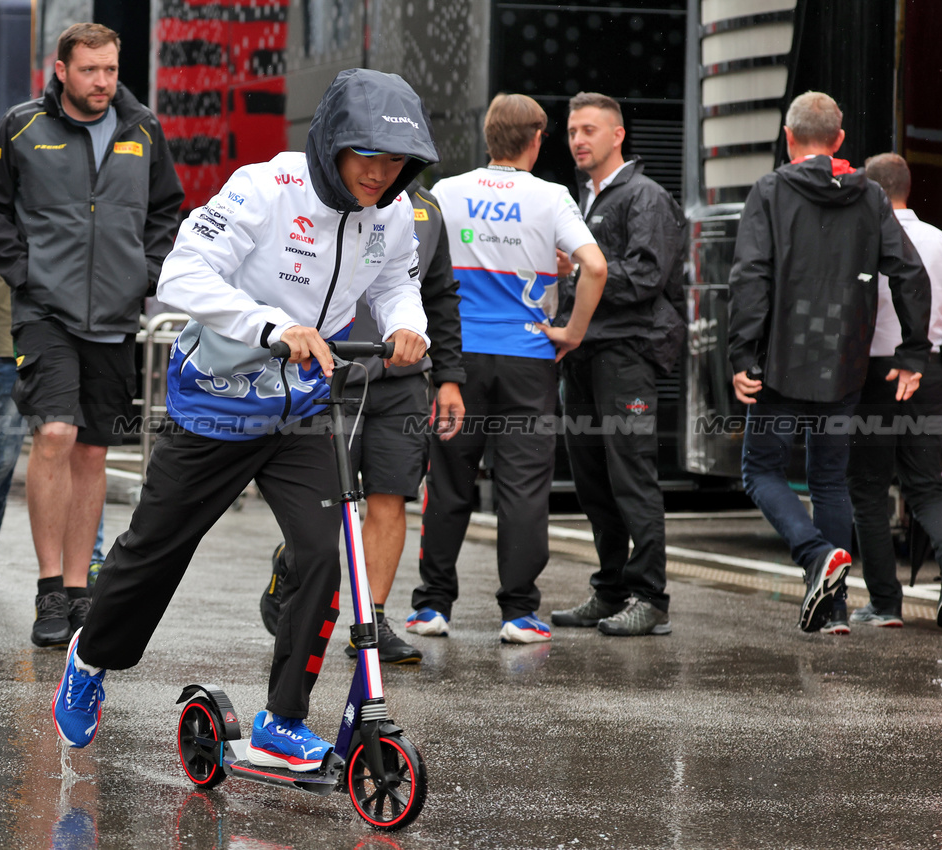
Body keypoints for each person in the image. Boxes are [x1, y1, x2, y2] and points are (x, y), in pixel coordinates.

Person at [50, 68, 438, 770]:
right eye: (367, 157)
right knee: (153, 554)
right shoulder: (265, 188)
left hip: (304, 410)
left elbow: (394, 283)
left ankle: (281, 721)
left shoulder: (391, 213)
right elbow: (180, 276)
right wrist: (269, 326)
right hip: (215, 408)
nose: (381, 174)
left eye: (395, 161)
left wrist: (410, 328)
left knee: (326, 553)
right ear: (330, 147)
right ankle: (90, 657)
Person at [0, 22, 184, 648]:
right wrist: (26, 275)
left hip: (115, 315)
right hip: (46, 313)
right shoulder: (22, 127)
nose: (102, 82)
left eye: (111, 70)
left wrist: (143, 275)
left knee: (92, 449)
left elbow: (166, 209)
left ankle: (79, 588)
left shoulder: (142, 129)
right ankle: (48, 589)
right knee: (56, 433)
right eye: (90, 70)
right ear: (61, 69)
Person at [407, 93, 608, 645]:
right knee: (523, 488)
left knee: (448, 482)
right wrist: (572, 330)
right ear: (537, 139)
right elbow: (595, 265)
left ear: (488, 135)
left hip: (458, 358)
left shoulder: (446, 191)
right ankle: (518, 613)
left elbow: (412, 266)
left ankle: (431, 606)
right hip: (528, 359)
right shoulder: (551, 197)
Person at [728, 91, 931, 633]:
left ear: (788, 137)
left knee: (761, 470)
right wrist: (914, 351)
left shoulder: (771, 190)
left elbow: (750, 275)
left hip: (780, 359)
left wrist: (742, 351)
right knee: (830, 483)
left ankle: (816, 556)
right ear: (839, 140)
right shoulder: (870, 197)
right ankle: (835, 611)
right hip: (845, 360)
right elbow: (910, 274)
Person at [263, 179, 466, 665]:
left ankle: (370, 622)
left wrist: (450, 378)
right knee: (325, 503)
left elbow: (438, 296)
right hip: (333, 375)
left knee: (389, 495)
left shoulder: (427, 209)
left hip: (402, 380)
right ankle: (287, 568)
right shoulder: (322, 197)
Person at [549, 92, 688, 637]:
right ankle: (609, 591)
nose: (578, 140)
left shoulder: (645, 197)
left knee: (631, 476)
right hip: (585, 353)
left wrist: (585, 274)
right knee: (592, 480)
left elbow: (647, 278)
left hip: (628, 354)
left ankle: (650, 597)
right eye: (572, 131)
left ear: (617, 135)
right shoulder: (588, 198)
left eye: (589, 130)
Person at [848, 153, 942, 629]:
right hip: (925, 371)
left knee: (866, 489)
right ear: (908, 188)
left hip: (872, 376)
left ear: (871, 191)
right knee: (926, 486)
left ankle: (885, 604)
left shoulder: (861, 241)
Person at [0, 220, 110, 601]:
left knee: (77, 447)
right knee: (3, 453)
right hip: (7, 345)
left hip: (70, 342)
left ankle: (90, 557)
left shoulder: (74, 188)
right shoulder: (1, 197)